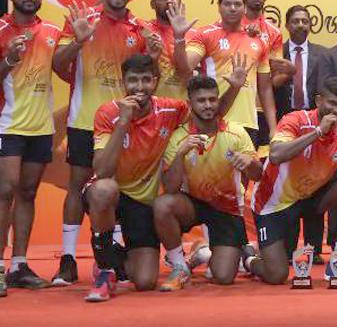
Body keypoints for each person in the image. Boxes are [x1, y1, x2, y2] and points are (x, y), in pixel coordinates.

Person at [82, 54, 245, 302]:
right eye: (133, 80)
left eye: (146, 80)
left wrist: (233, 88)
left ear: (155, 82)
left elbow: (210, 112)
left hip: (143, 205)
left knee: (145, 281)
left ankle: (119, 256)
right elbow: (102, 171)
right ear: (123, 81)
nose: (139, 87)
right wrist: (124, 122)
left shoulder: (171, 109)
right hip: (114, 195)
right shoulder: (108, 113)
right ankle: (105, 267)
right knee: (104, 189)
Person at [51, 0, 162, 286]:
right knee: (77, 187)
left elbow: (145, 75)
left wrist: (154, 55)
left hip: (124, 123)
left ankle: (112, 254)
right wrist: (78, 41)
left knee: (114, 190)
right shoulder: (83, 19)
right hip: (85, 119)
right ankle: (68, 260)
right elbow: (58, 64)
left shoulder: (139, 28)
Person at [245, 77, 337, 284]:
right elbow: (276, 155)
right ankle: (249, 259)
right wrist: (318, 132)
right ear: (319, 100)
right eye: (332, 103)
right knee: (277, 275)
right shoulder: (295, 120)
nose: (336, 110)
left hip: (309, 200)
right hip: (272, 204)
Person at [154, 76, 261, 291]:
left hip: (227, 208)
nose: (208, 105)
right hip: (192, 204)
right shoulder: (178, 137)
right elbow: (171, 188)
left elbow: (258, 175)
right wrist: (180, 155)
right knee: (163, 205)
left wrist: (250, 163)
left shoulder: (237, 132)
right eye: (201, 100)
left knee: (223, 277)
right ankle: (179, 266)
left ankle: (203, 253)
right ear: (190, 102)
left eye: (212, 99)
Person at [0, 0, 62, 294]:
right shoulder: (0, 30)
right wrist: (9, 58)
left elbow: (65, 67)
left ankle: (19, 265)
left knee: (27, 193)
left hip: (40, 126)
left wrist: (78, 43)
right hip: (8, 123)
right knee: (5, 190)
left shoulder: (52, 30)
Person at [177, 0, 278, 148]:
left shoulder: (259, 40)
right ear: (218, 6)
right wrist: (179, 38)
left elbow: (265, 88)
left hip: (248, 123)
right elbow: (185, 68)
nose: (232, 8)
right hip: (212, 119)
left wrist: (273, 128)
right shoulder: (206, 34)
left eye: (237, 4)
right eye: (227, 4)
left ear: (245, 7)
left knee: (245, 173)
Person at [277, 5, 328, 263]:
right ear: (287, 25)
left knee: (314, 184)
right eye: (295, 21)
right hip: (286, 123)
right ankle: (287, 249)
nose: (300, 25)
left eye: (304, 21)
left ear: (310, 25)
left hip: (315, 124)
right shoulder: (277, 52)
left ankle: (313, 248)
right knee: (287, 185)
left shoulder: (323, 55)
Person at [240, 0, 294, 147]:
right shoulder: (230, 24)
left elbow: (273, 77)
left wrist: (288, 73)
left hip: (260, 108)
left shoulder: (273, 32)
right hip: (232, 104)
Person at [146, 0, 198, 100]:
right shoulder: (143, 30)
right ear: (152, 4)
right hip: (153, 105)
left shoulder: (193, 33)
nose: (169, 1)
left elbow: (187, 71)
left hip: (184, 105)